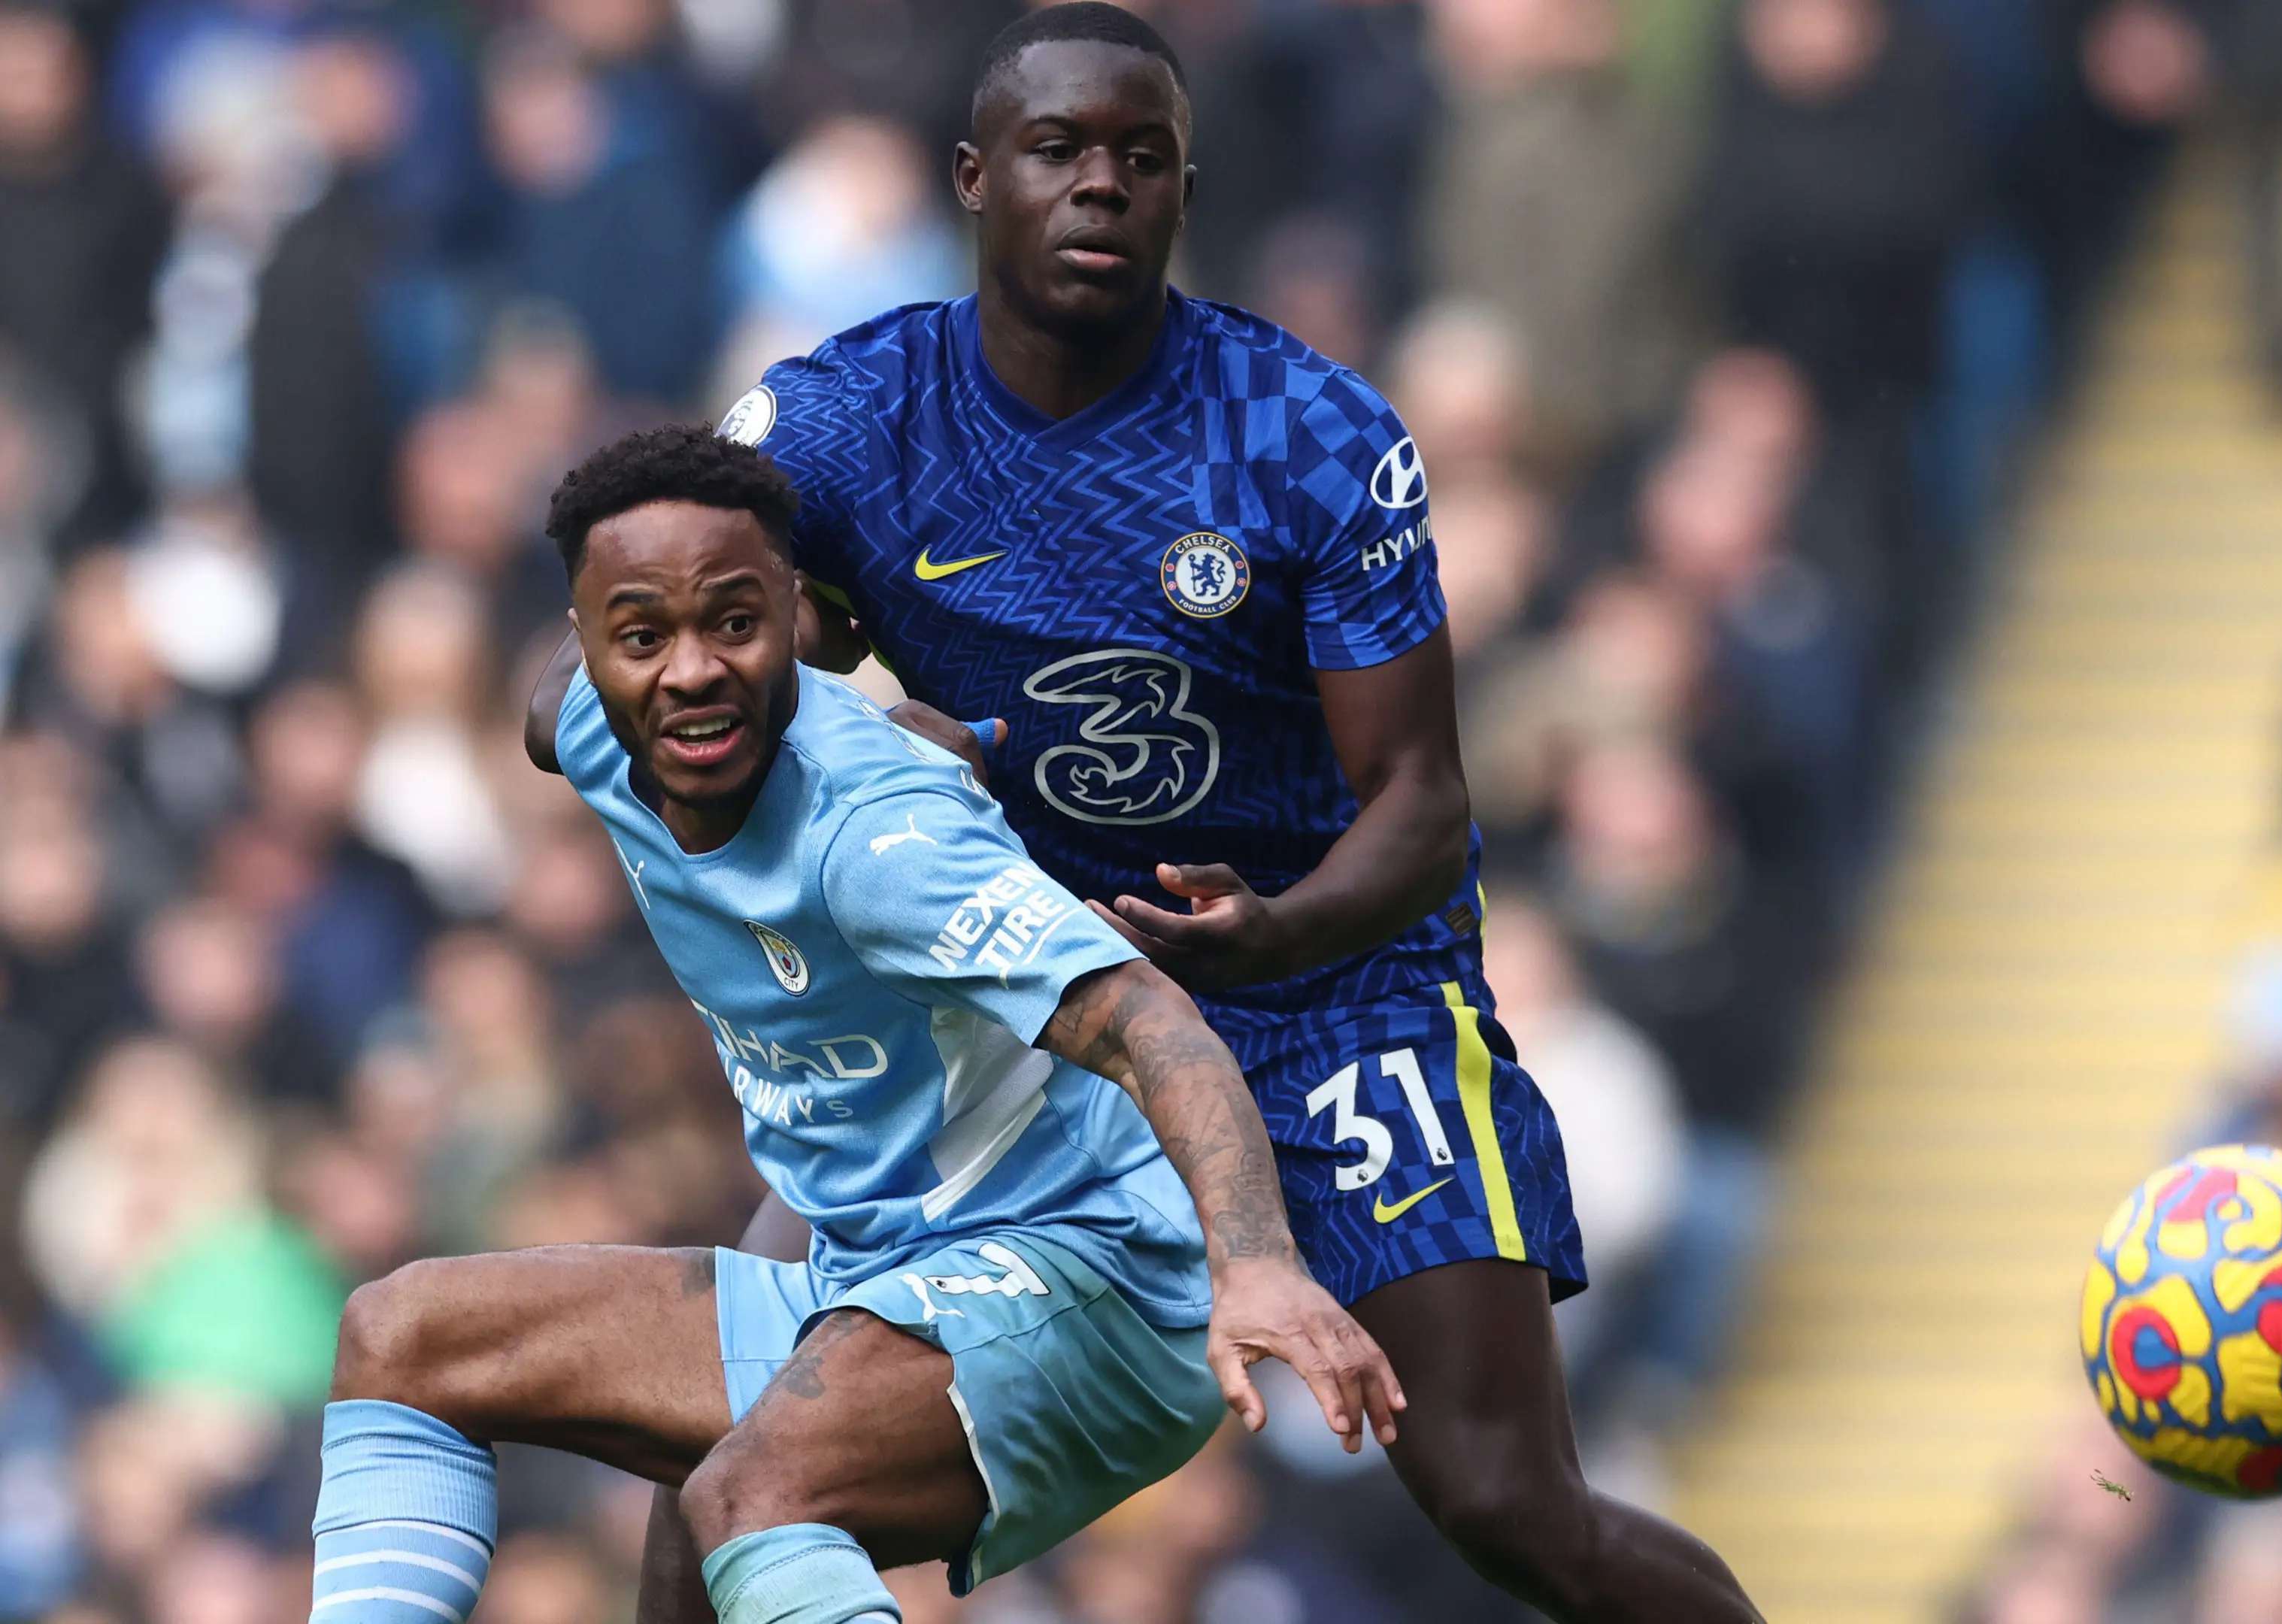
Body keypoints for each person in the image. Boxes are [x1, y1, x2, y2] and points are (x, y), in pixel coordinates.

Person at [671, 6, 1761, 1618]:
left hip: (1333, 1000)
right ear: (973, 179)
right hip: (1038, 1001)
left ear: (1191, 188)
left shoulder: (1313, 437)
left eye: (1141, 157)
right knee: (726, 1421)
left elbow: (1419, 799)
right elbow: (654, 602)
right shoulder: (845, 419)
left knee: (1503, 1497)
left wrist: (1277, 933)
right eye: (1058, 152)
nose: (1099, 186)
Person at [308, 424, 1402, 1624]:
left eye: (735, 622)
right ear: (588, 643)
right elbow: (539, 708)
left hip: (1095, 1273)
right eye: (640, 635)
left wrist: (1259, 1267)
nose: (691, 673)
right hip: (876, 1271)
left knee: (750, 1496)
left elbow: (1149, 1017)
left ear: (794, 615)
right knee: (399, 1336)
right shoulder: (590, 730)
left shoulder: (882, 841)